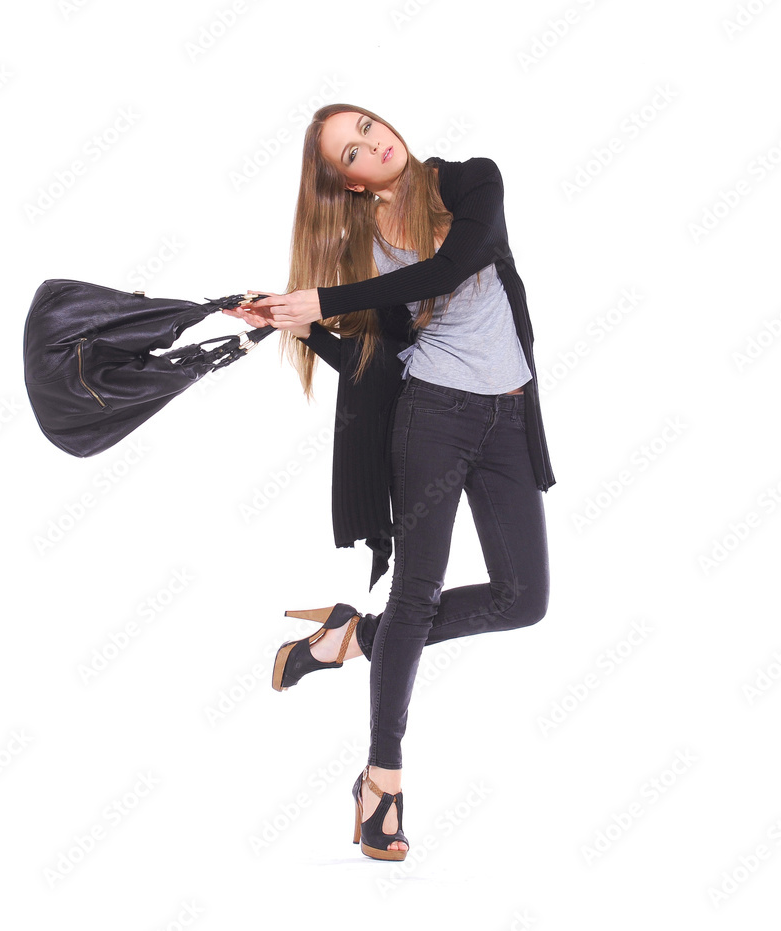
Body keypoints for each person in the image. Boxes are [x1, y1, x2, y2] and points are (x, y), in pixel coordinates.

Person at [222, 103, 555, 861]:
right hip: (431, 419)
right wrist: (301, 327)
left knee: (523, 599)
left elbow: (454, 266)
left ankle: (355, 635)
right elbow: (388, 360)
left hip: (505, 419)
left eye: (368, 126)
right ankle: (382, 781)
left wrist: (323, 303)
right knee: (418, 596)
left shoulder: (471, 184)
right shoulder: (367, 251)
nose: (374, 142)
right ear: (346, 179)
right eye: (354, 149)